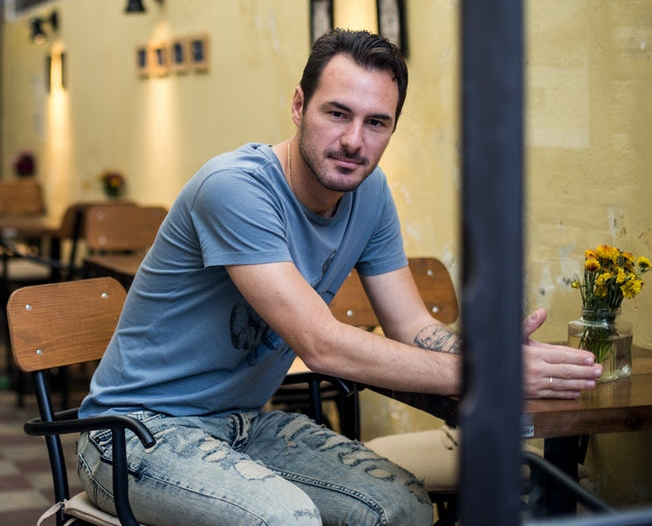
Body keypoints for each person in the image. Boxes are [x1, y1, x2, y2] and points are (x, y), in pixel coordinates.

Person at [77, 28, 602, 525]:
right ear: (299, 106)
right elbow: (321, 345)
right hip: (132, 434)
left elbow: (412, 326)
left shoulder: (370, 194)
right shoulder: (234, 188)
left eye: (377, 123)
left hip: (244, 424)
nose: (354, 140)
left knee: (401, 509)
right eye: (337, 113)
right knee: (285, 519)